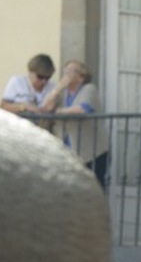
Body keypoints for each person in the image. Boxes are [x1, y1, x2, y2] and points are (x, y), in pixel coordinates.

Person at [41, 59, 110, 187]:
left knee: (93, 188)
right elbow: (45, 108)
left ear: (81, 77)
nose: (66, 74)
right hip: (67, 150)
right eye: (65, 70)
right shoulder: (62, 93)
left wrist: (59, 111)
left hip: (91, 150)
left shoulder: (89, 89)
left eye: (71, 71)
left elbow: (83, 109)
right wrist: (58, 89)